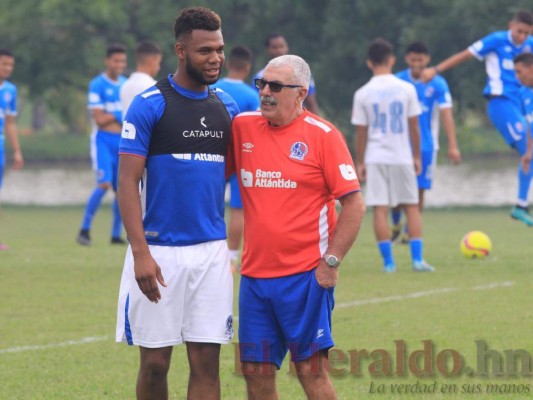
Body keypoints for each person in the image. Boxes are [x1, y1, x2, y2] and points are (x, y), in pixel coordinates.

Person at [115, 7, 239, 400]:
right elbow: (127, 182)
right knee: (154, 366)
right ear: (180, 50)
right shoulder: (150, 104)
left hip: (210, 253)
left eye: (219, 49)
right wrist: (140, 253)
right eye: (205, 51)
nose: (216, 58)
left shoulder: (227, 109)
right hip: (159, 252)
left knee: (207, 365)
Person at [231, 54, 365, 400]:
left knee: (311, 373)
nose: (265, 93)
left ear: (300, 93)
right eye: (262, 84)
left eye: (276, 86)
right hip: (255, 280)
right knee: (255, 374)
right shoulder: (243, 126)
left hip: (305, 277)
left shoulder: (324, 136)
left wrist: (331, 263)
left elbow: (354, 204)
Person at [421, 10, 533, 226]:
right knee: (528, 152)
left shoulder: (530, 44)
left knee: (530, 153)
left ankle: (521, 205)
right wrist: (436, 69)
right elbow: (465, 55)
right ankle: (521, 205)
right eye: (518, 31)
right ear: (511, 25)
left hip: (522, 102)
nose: (521, 37)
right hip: (501, 102)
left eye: (526, 33)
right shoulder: (496, 40)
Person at [352, 38, 434, 273]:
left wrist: (360, 160)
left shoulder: (362, 93)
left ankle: (389, 263)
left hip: (376, 156)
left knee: (380, 208)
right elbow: (414, 126)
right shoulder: (406, 88)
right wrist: (417, 156)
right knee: (411, 206)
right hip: (401, 155)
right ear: (392, 60)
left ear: (369, 62)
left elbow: (361, 131)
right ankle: (417, 260)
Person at [391, 41, 461, 243]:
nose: (417, 64)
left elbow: (447, 114)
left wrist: (453, 145)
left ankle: (407, 232)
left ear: (427, 60)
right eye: (413, 60)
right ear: (407, 59)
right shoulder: (397, 81)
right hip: (400, 146)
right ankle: (395, 223)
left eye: (421, 60)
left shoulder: (438, 83)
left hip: (426, 147)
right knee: (396, 193)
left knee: (419, 191)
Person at [211, 45, 259, 273]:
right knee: (238, 210)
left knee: (212, 203)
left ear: (228, 64)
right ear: (247, 68)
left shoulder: (212, 88)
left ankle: (212, 252)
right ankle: (231, 258)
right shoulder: (252, 95)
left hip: (216, 154)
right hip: (242, 156)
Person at [77, 44, 127, 246]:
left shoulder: (126, 85)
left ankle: (116, 234)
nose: (119, 65)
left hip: (122, 142)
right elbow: (99, 119)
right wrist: (118, 115)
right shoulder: (97, 84)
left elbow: (130, 116)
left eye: (123, 61)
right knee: (104, 184)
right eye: (116, 61)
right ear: (108, 61)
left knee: (122, 189)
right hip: (103, 141)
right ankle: (84, 229)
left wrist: (113, 116)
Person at [251, 33, 320, 114]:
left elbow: (311, 102)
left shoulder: (301, 74)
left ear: (287, 47)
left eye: (281, 46)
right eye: (274, 47)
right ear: (267, 50)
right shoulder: (259, 77)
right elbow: (256, 103)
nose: (279, 50)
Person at [0, 49, 23, 251]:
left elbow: (10, 123)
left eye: (10, 65)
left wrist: (16, 150)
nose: (8, 69)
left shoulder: (10, 90)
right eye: (4, 64)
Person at [120, 41, 163, 115]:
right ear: (152, 61)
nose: (158, 68)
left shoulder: (125, 85)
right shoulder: (154, 87)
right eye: (158, 63)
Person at [515, 53, 533, 173]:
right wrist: (528, 152)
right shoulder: (523, 93)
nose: (517, 77)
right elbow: (529, 125)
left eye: (519, 72)